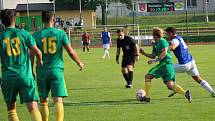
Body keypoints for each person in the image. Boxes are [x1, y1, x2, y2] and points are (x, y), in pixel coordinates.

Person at [31, 11, 84, 121]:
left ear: (42, 20)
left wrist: (31, 71)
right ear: (54, 20)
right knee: (58, 100)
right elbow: (70, 51)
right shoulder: (61, 34)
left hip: (41, 71)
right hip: (56, 70)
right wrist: (79, 62)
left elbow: (31, 55)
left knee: (43, 101)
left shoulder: (35, 35)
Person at [0, 9, 43, 121]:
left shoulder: (1, 37)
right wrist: (40, 62)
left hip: (8, 77)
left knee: (11, 110)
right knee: (33, 107)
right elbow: (37, 52)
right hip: (25, 75)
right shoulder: (24, 33)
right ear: (14, 19)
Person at [139, 27, 192, 103]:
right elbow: (153, 55)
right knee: (170, 86)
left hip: (165, 64)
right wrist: (143, 53)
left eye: (153, 34)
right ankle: (185, 93)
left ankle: (146, 97)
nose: (152, 36)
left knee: (147, 76)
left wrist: (154, 60)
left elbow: (164, 53)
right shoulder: (156, 44)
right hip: (166, 65)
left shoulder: (163, 42)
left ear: (156, 35)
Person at [165, 27, 215, 97]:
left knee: (166, 69)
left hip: (184, 65)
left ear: (171, 33)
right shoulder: (179, 38)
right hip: (191, 62)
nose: (166, 36)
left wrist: (163, 50)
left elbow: (173, 47)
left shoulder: (174, 40)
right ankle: (212, 92)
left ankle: (174, 88)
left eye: (167, 34)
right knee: (198, 79)